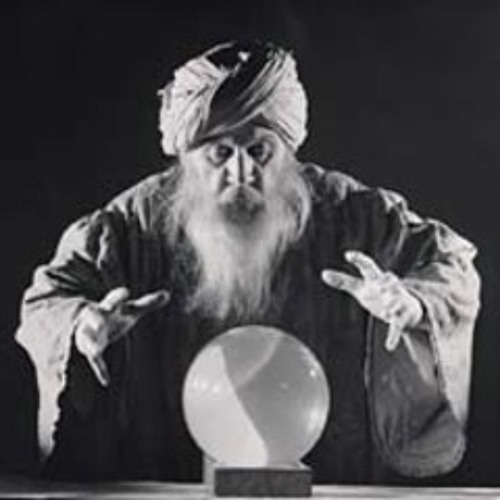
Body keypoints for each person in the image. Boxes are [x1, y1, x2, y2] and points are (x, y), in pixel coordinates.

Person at [16, 41, 480, 483]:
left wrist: (414, 303)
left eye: (259, 151)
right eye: (220, 154)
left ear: (287, 150)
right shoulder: (131, 225)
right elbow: (48, 300)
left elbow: (451, 266)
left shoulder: (355, 214)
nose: (241, 174)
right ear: (186, 158)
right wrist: (82, 324)